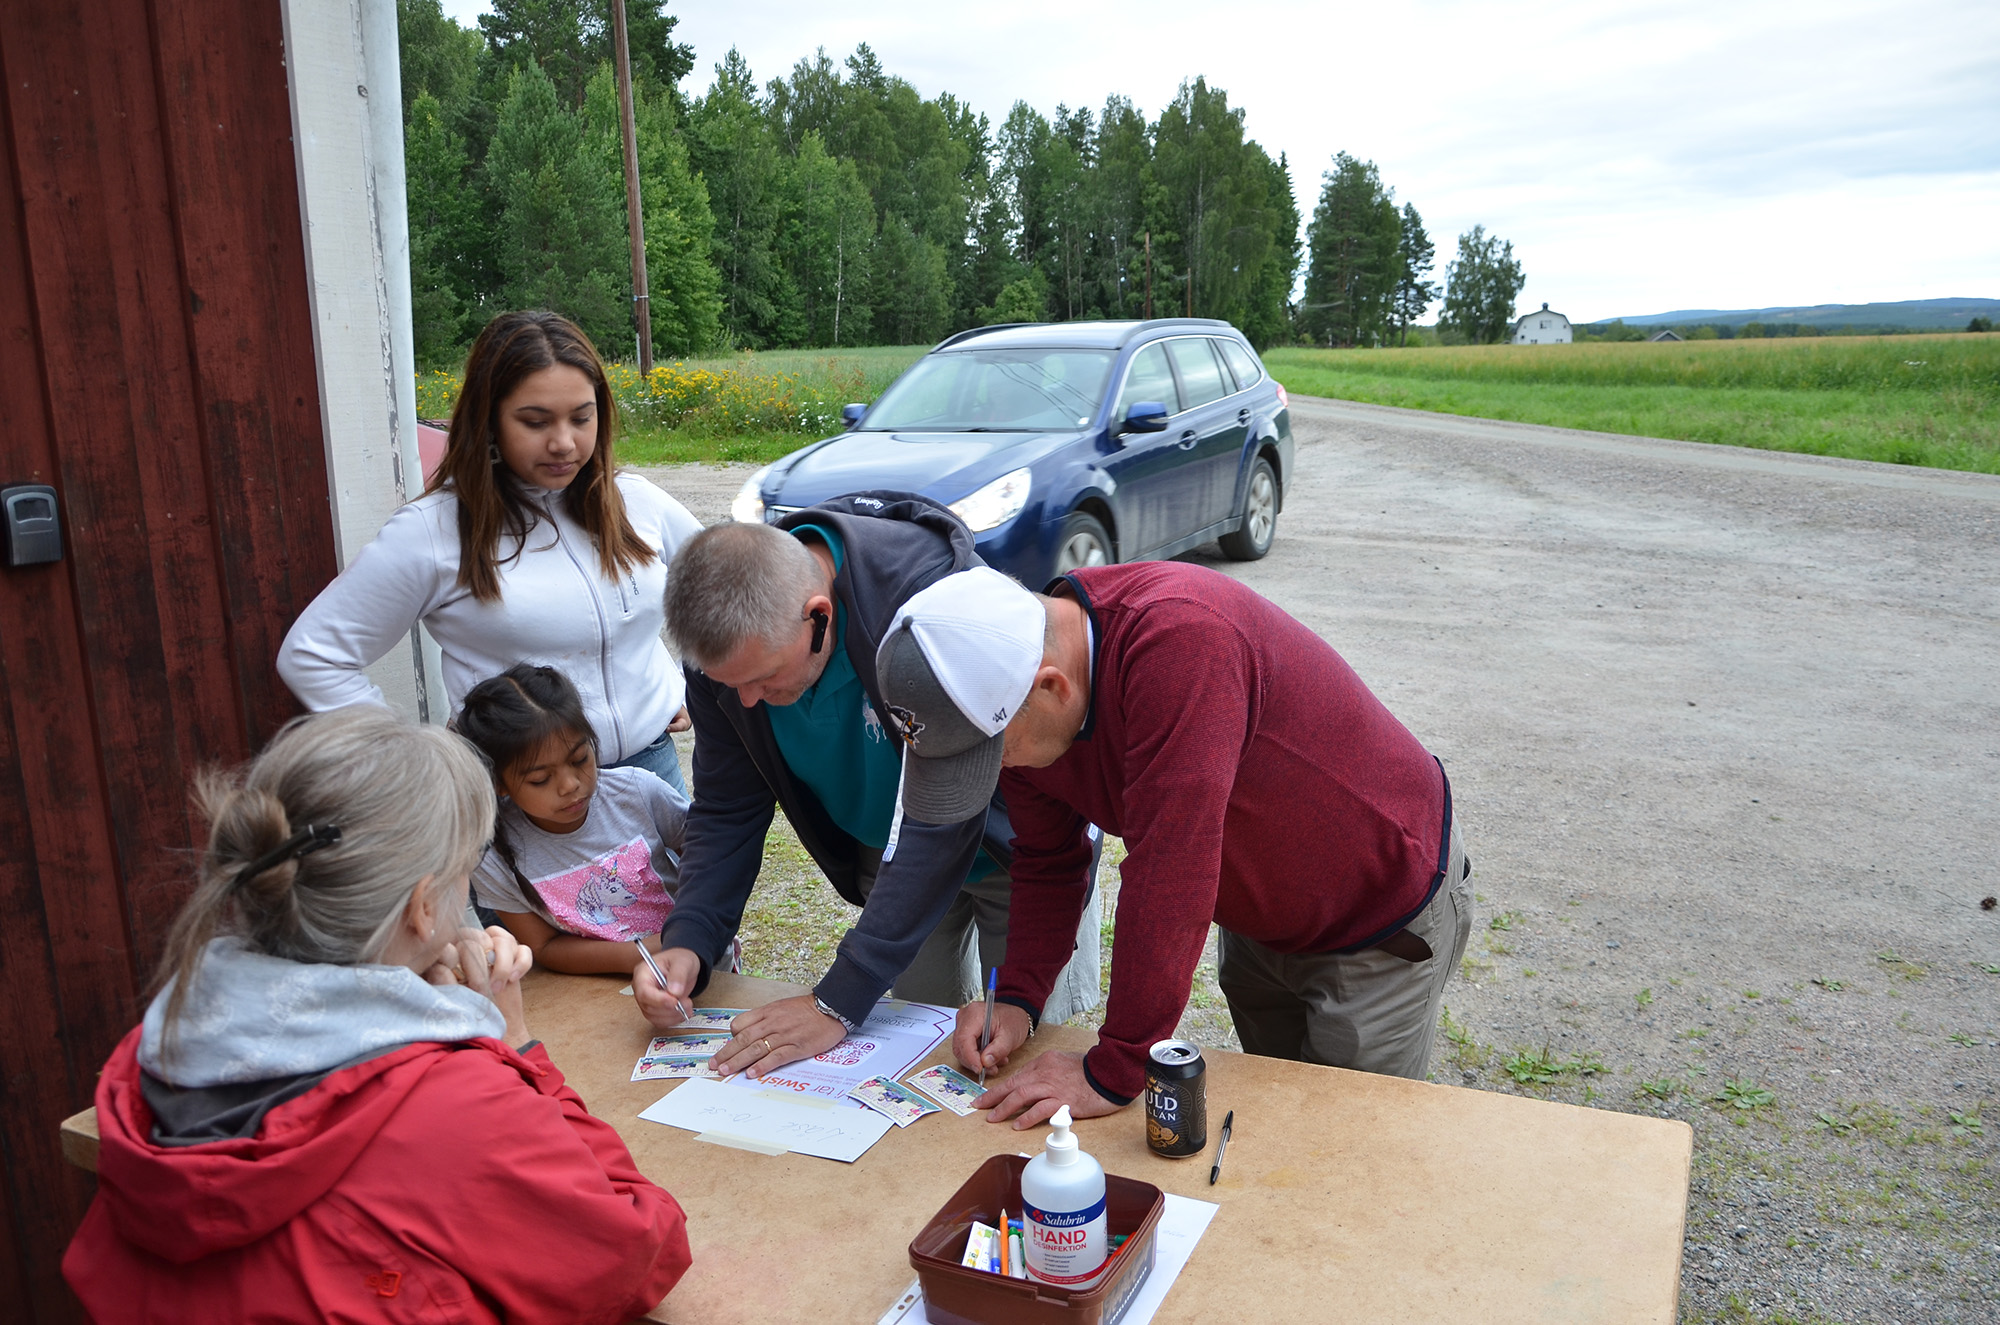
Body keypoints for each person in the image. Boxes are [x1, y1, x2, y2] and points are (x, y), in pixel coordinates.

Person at [62, 707, 691, 1321]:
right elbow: (641, 1253)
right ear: (423, 908)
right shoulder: (455, 1102)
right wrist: (517, 1050)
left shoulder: (166, 1045)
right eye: (461, 879)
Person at [868, 561, 1471, 1128]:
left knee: (1346, 1147)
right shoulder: (1018, 698)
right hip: (1261, 916)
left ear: (1051, 688)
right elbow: (1050, 860)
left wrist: (1115, 1070)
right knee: (1284, 1126)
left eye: (995, 754)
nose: (1001, 771)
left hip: (1377, 917)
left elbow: (1171, 872)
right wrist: (1019, 997)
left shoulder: (1181, 640)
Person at [631, 498, 1101, 1078]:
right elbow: (728, 804)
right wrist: (691, 935)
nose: (746, 701)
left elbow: (943, 820)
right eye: (732, 686)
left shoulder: (925, 608)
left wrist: (837, 1000)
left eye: (763, 680)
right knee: (921, 1051)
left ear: (819, 617)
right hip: (892, 861)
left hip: (1020, 854)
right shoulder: (734, 654)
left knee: (1016, 1045)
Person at [277, 310, 702, 793]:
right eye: (535, 421)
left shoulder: (635, 501)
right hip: (522, 799)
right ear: (490, 421)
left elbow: (716, 594)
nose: (564, 442)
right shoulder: (434, 532)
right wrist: (413, 762)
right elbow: (314, 655)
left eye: (581, 417)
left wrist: (678, 684)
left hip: (651, 773)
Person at [456, 663, 694, 976]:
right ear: (499, 783)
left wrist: (691, 935)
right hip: (599, 995)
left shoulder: (637, 792)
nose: (570, 785)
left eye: (580, 759)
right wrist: (641, 955)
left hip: (698, 967)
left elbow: (712, 854)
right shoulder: (492, 857)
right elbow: (543, 947)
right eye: (541, 779)